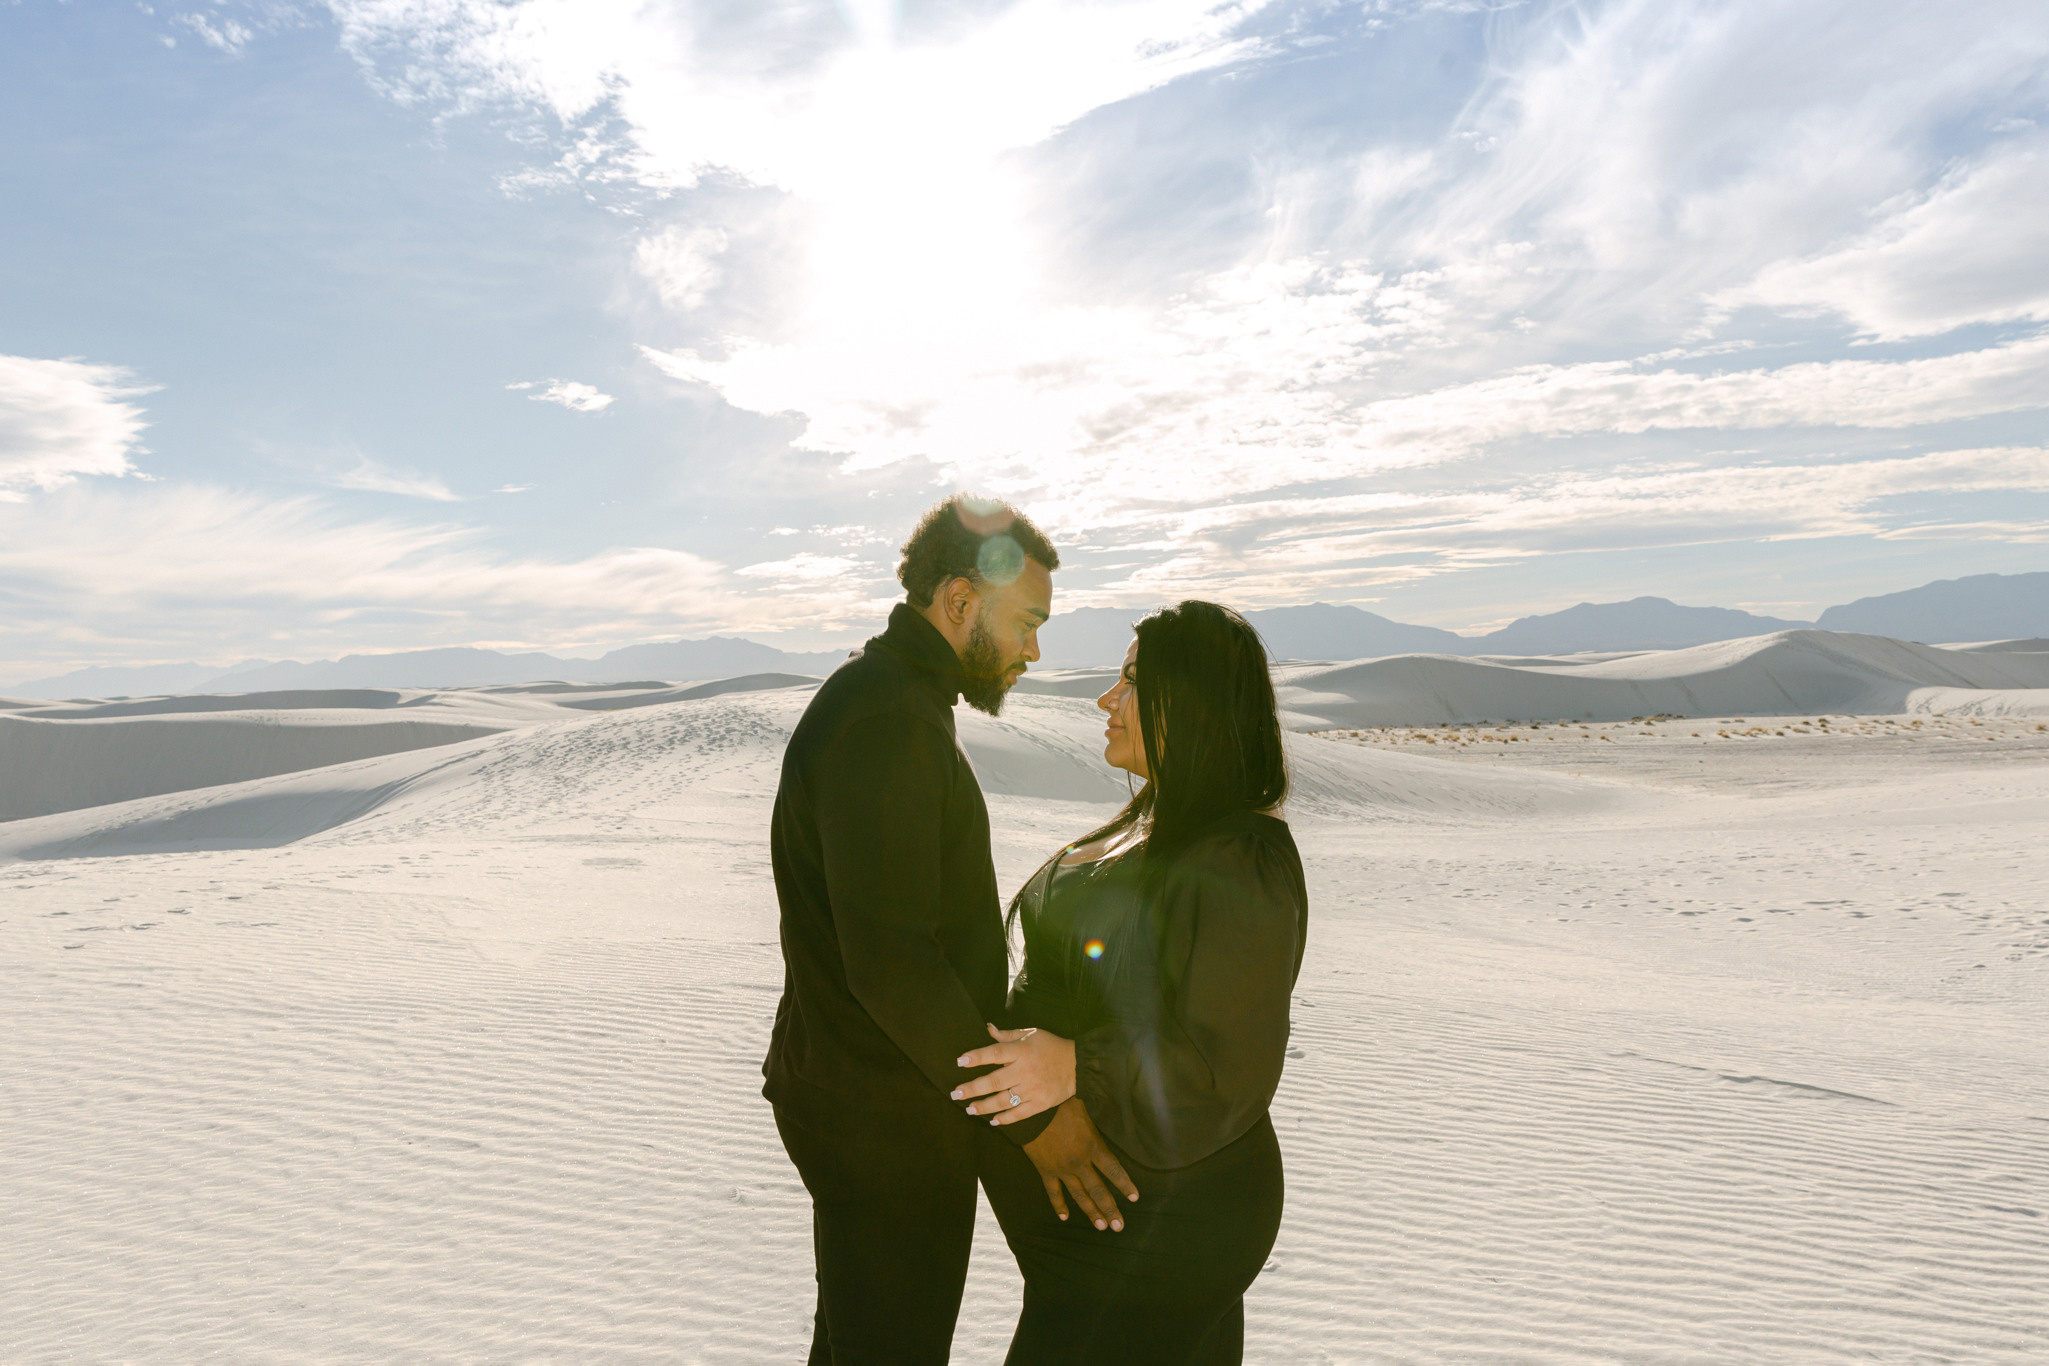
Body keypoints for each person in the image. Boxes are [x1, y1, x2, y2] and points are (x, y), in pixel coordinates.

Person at [762, 493, 1135, 1365]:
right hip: (882, 1116)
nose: (1034, 651)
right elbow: (891, 964)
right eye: (1027, 623)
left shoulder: (893, 698)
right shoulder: (888, 718)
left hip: (880, 1100)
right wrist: (1033, 1119)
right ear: (960, 602)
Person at [950, 600, 1308, 1365]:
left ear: (1195, 701)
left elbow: (1224, 1067)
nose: (1107, 700)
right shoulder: (1147, 823)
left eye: (1132, 680)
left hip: (1161, 1228)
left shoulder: (1239, 854)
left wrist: (1076, 1065)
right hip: (1111, 1227)